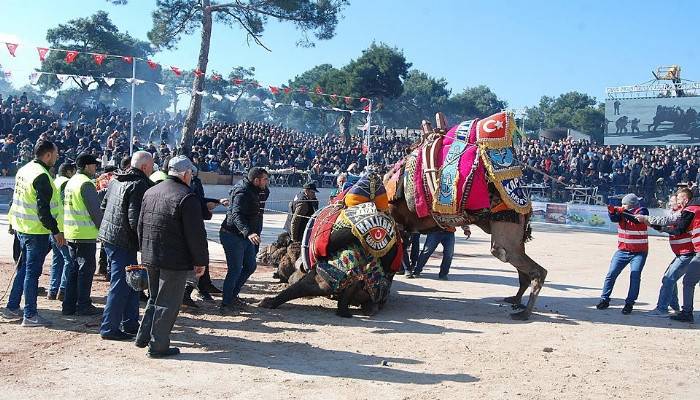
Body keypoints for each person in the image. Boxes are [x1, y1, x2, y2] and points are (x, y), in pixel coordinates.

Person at [136, 155, 208, 357]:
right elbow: (196, 234)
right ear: (185, 174)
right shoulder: (187, 196)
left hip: (150, 254)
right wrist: (200, 261)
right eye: (190, 173)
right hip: (174, 260)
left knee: (154, 298)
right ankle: (158, 346)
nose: (191, 177)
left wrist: (144, 250)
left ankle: (143, 337)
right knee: (167, 303)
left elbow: (140, 225)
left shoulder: (151, 191)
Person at [2, 140, 63, 327]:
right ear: (47, 155)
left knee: (24, 270)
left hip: (22, 228)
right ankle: (30, 314)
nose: (58, 156)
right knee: (31, 273)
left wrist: (12, 222)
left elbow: (16, 200)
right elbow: (43, 211)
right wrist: (56, 231)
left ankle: (12, 307)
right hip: (35, 232)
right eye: (56, 153)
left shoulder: (24, 170)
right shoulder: (41, 176)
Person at [98, 151, 154, 341]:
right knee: (121, 284)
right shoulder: (138, 184)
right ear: (145, 167)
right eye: (152, 166)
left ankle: (130, 323)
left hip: (112, 238)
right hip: (123, 240)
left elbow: (103, 206)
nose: (153, 169)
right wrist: (145, 244)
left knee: (132, 282)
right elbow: (135, 219)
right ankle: (109, 328)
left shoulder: (116, 180)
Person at [635, 189, 696, 316]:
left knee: (669, 279)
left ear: (682, 201)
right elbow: (666, 227)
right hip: (682, 254)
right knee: (669, 279)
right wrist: (650, 224)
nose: (671, 203)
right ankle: (675, 307)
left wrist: (647, 219)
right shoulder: (678, 213)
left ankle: (662, 308)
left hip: (687, 254)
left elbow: (667, 221)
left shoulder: (682, 213)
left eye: (675, 201)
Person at [219, 167, 270, 313]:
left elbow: (264, 195)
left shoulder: (258, 189)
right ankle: (225, 304)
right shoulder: (242, 192)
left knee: (250, 266)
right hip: (232, 235)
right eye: (265, 180)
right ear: (256, 180)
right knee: (234, 269)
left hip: (248, 236)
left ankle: (233, 295)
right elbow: (236, 215)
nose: (267, 183)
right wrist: (248, 232)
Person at [62, 153, 103, 316]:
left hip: (72, 232)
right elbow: (95, 211)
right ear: (86, 166)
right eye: (94, 165)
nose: (96, 168)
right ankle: (84, 304)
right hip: (85, 234)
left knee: (73, 270)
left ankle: (69, 305)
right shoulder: (86, 184)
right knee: (86, 270)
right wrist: (103, 230)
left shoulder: (71, 182)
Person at [182, 166, 227, 305]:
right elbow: (196, 202)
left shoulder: (194, 181)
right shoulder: (180, 188)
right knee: (195, 261)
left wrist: (216, 201)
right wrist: (207, 211)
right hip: (187, 227)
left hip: (196, 224)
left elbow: (199, 199)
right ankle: (187, 293)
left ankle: (204, 286)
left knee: (201, 256)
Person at [597, 193, 649, 314]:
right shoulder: (621, 212)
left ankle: (629, 303)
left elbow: (635, 220)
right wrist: (611, 211)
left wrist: (620, 211)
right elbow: (614, 218)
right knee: (611, 274)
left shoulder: (642, 210)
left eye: (624, 204)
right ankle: (604, 299)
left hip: (639, 252)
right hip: (622, 251)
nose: (622, 205)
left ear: (631, 204)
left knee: (635, 276)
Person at [47, 162, 76, 301]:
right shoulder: (66, 184)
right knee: (69, 260)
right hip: (62, 228)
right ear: (69, 172)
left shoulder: (55, 182)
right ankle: (63, 290)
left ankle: (52, 290)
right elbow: (67, 208)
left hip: (53, 227)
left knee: (57, 259)